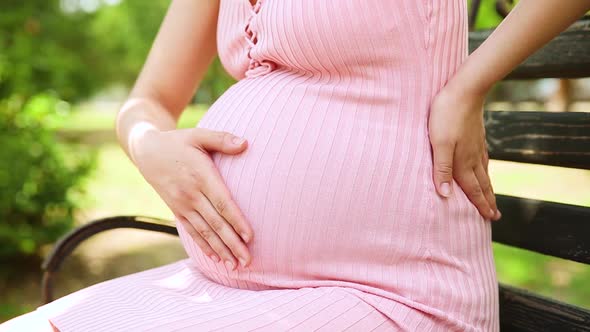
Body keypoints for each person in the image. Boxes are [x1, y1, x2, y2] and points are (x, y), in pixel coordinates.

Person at [3, 0, 589, 331]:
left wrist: (470, 82)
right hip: (221, 289)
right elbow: (147, 100)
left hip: (393, 292)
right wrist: (148, 144)